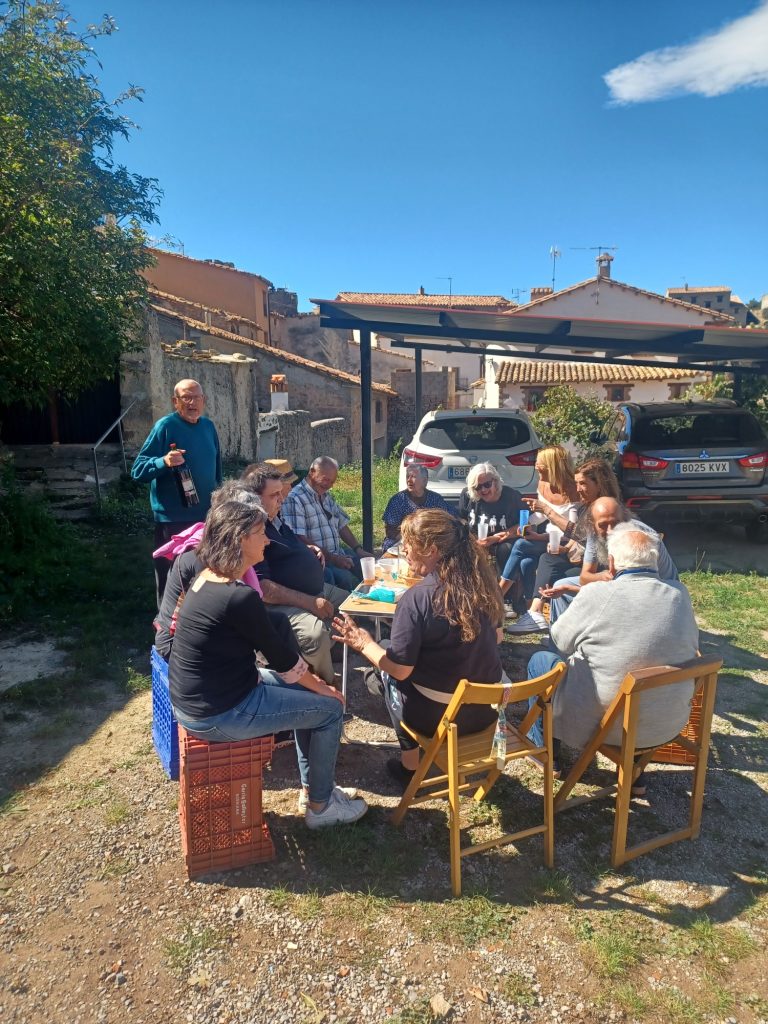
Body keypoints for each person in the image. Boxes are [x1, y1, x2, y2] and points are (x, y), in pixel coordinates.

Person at [168, 499, 368, 828]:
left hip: (205, 700)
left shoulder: (207, 577)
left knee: (314, 698)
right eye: (260, 533)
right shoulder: (239, 596)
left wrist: (317, 688)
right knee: (330, 709)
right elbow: (284, 661)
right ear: (238, 539)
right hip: (220, 711)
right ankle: (321, 809)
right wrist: (328, 690)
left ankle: (314, 789)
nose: (267, 540)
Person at [332, 508, 505, 789]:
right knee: (395, 656)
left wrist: (364, 643)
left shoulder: (419, 598)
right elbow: (497, 637)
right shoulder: (485, 585)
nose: (405, 553)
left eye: (408, 546)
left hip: (439, 718)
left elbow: (399, 670)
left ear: (432, 550)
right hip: (485, 713)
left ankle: (409, 766)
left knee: (383, 676)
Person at [525, 524, 699, 786]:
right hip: (665, 722)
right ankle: (634, 765)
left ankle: (547, 753)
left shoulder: (598, 593)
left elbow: (559, 641)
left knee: (542, 661)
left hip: (605, 724)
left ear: (613, 563)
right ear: (655, 560)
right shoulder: (679, 594)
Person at [153, 480, 297, 662]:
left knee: (278, 622)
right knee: (259, 636)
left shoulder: (226, 547)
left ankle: (293, 676)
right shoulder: (204, 557)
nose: (264, 534)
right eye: (253, 522)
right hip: (179, 645)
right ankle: (275, 679)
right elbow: (210, 618)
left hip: (212, 628)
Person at [241, 463, 349, 686]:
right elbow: (264, 589)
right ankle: (325, 685)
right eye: (274, 495)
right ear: (254, 498)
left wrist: (309, 551)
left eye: (281, 493)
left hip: (315, 588)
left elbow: (291, 544)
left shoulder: (275, 519)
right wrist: (310, 602)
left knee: (352, 604)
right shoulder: (254, 531)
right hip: (287, 601)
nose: (281, 499)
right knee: (316, 635)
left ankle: (327, 653)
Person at [131, 379, 222, 606]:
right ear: (175, 401)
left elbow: (216, 471)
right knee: (171, 580)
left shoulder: (208, 427)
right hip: (173, 522)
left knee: (203, 578)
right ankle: (165, 632)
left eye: (197, 397)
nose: (192, 403)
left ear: (204, 401)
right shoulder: (165, 426)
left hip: (205, 519)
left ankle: (196, 628)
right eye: (186, 398)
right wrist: (163, 461)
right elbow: (137, 470)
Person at [507, 457, 622, 634]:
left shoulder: (607, 509)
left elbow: (582, 535)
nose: (578, 489)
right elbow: (582, 539)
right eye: (576, 484)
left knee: (528, 551)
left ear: (599, 483)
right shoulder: (587, 506)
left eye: (582, 484)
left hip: (603, 569)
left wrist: (547, 510)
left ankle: (516, 603)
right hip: (583, 559)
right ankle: (534, 612)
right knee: (535, 560)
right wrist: (566, 548)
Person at [499, 445, 578, 626]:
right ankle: (531, 612)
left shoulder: (573, 489)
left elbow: (572, 531)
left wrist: (539, 532)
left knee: (520, 545)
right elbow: (540, 516)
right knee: (526, 562)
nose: (535, 467)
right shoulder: (543, 484)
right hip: (547, 537)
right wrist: (526, 525)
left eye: (539, 463)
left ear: (553, 466)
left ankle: (497, 595)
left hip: (566, 542)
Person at [281, 456, 373, 591]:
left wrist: (358, 549)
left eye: (332, 482)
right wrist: (334, 559)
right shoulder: (295, 498)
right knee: (348, 581)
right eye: (326, 479)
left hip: (338, 553)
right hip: (321, 561)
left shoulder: (325, 495)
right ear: (312, 472)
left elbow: (341, 524)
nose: (329, 485)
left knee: (369, 568)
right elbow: (299, 538)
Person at [457, 461, 527, 586]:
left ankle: (505, 593)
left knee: (506, 550)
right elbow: (461, 519)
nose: (483, 490)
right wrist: (470, 538)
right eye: (478, 487)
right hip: (476, 539)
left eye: (487, 484)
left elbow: (525, 523)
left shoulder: (511, 496)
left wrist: (496, 538)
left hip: (503, 540)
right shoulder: (467, 496)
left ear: (495, 481)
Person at [382, 463, 455, 551]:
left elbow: (446, 522)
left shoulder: (436, 499)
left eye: (413, 476)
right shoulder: (398, 500)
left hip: (430, 542)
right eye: (407, 476)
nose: (409, 480)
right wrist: (411, 540)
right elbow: (390, 530)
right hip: (402, 541)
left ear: (424, 480)